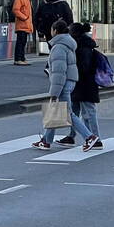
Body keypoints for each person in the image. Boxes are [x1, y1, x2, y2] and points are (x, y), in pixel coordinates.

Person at [32, 20, 99, 152]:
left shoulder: (58, 47)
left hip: (62, 83)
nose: (50, 32)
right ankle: (46, 141)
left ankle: (89, 137)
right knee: (56, 110)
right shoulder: (67, 44)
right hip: (70, 81)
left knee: (68, 114)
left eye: (52, 29)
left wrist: (54, 92)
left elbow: (58, 72)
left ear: (55, 31)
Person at [69, 22, 102, 148]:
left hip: (84, 84)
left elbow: (83, 67)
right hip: (83, 84)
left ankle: (95, 138)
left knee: (88, 112)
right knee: (74, 110)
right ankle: (71, 136)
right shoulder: (85, 45)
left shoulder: (82, 48)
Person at [12, 0, 33, 66]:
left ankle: (22, 58)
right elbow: (15, 10)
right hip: (22, 25)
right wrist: (24, 18)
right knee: (20, 43)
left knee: (22, 43)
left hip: (25, 25)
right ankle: (18, 59)